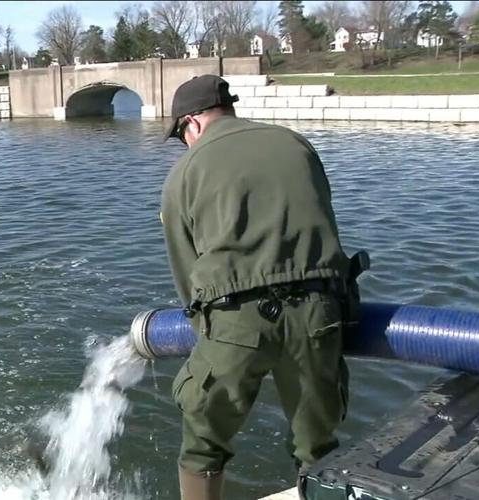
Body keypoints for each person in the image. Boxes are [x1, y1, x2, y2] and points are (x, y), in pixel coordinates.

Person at [159, 75, 357, 500]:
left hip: (234, 320)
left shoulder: (185, 173)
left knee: (204, 445)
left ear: (191, 123)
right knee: (317, 444)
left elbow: (186, 273)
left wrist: (209, 334)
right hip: (317, 312)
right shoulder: (294, 143)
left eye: (180, 135)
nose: (184, 143)